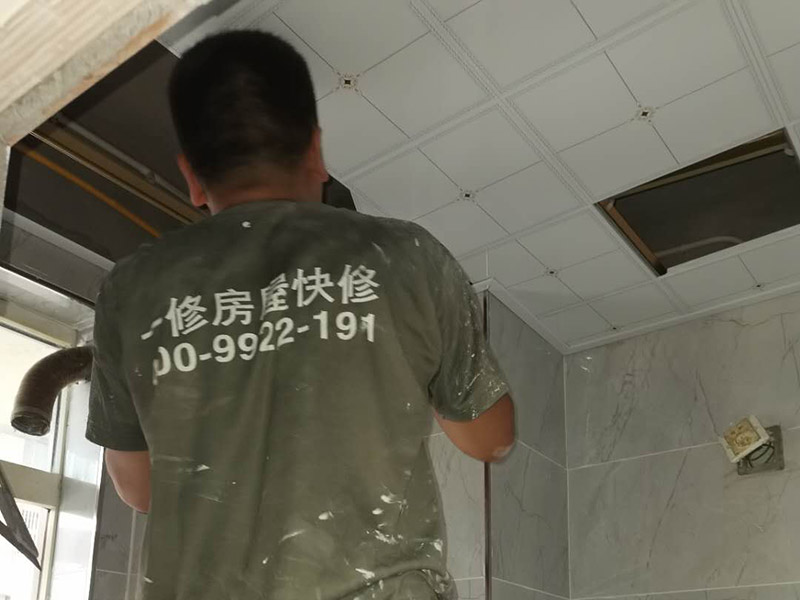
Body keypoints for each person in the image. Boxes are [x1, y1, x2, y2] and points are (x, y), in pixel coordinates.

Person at [86, 30, 515, 600]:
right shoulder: (407, 257)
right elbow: (491, 440)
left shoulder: (130, 289)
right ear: (315, 152)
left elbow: (139, 489)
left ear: (191, 177)